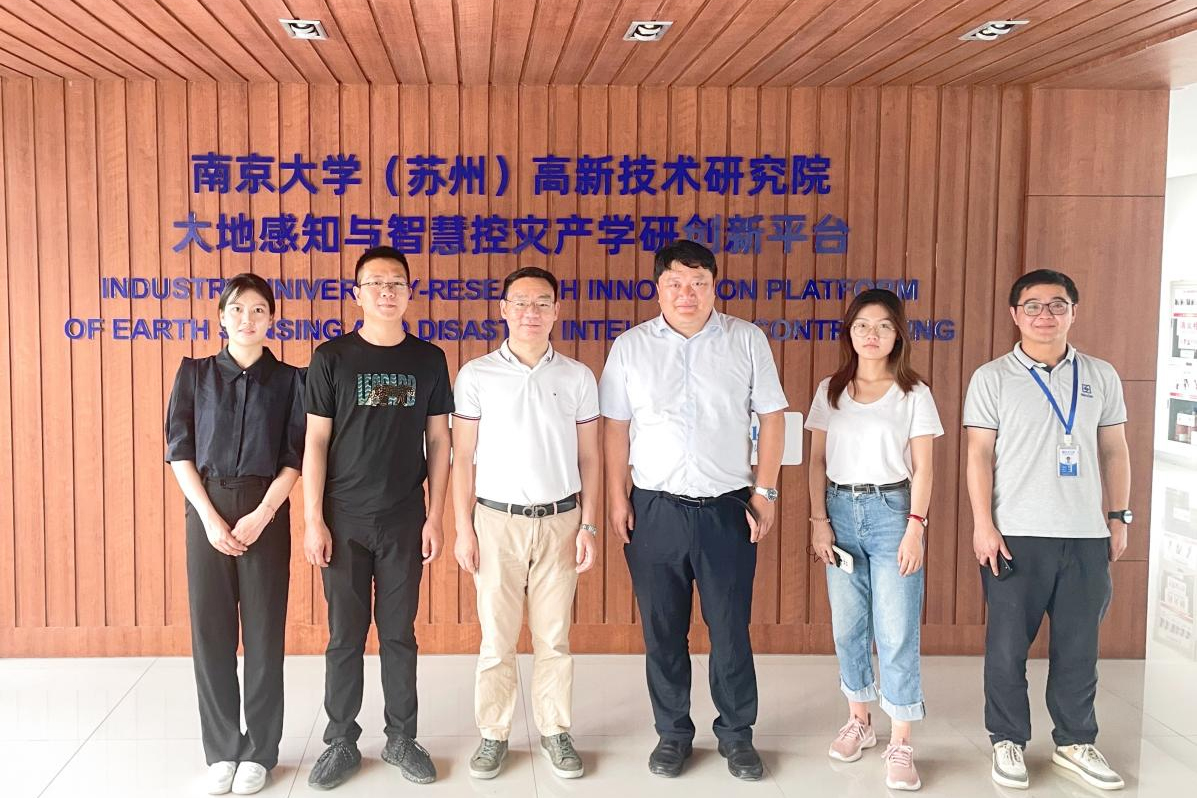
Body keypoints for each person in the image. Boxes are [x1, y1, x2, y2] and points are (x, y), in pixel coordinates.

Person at [599, 240, 787, 781]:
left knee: (729, 630)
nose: (687, 293)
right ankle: (673, 734)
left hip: (727, 510)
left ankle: (737, 735)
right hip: (654, 509)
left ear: (714, 286)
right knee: (662, 631)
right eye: (676, 283)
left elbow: (772, 416)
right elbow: (615, 428)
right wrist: (617, 497)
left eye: (699, 283)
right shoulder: (630, 347)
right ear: (658, 288)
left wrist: (766, 492)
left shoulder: (745, 339)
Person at [964, 269, 1131, 791]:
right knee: (1006, 647)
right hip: (1014, 533)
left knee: (1079, 646)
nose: (1045, 315)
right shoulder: (991, 377)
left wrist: (1119, 516)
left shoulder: (1101, 375)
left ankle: (1075, 741)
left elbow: (1114, 450)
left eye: (1057, 305)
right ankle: (1007, 739)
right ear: (1015, 315)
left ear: (1073, 312)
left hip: (1085, 534)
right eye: (1033, 305)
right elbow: (978, 454)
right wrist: (983, 524)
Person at [302, 246, 453, 789]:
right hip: (343, 519)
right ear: (357, 294)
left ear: (410, 292)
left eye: (396, 283)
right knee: (345, 635)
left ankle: (401, 738)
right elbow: (315, 442)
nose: (386, 291)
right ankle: (341, 741)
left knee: (398, 634)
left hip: (404, 518)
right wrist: (313, 519)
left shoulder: (429, 359)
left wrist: (436, 515)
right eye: (375, 283)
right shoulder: (331, 358)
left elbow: (440, 441)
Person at [450, 266, 601, 781]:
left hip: (561, 520)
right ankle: (494, 734)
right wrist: (463, 528)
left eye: (541, 303)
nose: (530, 312)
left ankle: (555, 730)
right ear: (503, 309)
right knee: (497, 639)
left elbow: (591, 458)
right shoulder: (476, 375)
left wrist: (589, 525)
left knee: (553, 638)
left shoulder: (578, 377)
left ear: (557, 310)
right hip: (496, 522)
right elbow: (462, 457)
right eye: (520, 302)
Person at [165, 273, 305, 796]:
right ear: (222, 316)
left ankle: (261, 751)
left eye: (259, 310)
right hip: (207, 509)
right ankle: (222, 749)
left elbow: (295, 456)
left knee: (265, 636)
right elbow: (179, 449)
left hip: (266, 510)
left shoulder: (291, 380)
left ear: (272, 319)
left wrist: (263, 513)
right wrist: (208, 517)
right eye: (238, 309)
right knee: (212, 635)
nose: (248, 318)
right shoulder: (195, 374)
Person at [806, 289, 942, 791]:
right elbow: (816, 462)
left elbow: (924, 468)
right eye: (862, 324)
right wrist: (819, 521)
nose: (872, 334)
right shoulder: (831, 390)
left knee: (896, 628)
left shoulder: (914, 392)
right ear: (849, 331)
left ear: (897, 334)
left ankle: (901, 740)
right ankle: (859, 721)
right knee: (848, 626)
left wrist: (916, 527)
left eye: (884, 325)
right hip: (839, 511)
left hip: (892, 513)